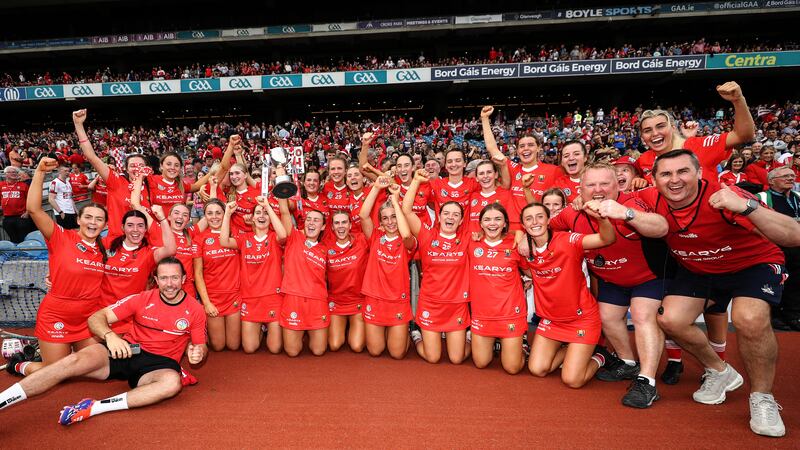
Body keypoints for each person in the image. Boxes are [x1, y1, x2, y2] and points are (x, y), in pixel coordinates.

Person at [638, 149, 788, 437]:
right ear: (653, 179)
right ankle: (719, 372)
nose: (674, 180)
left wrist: (748, 208)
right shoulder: (648, 199)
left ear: (698, 173)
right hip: (700, 268)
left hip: (751, 263)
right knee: (670, 319)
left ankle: (762, 398)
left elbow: (792, 234)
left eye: (683, 171)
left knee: (749, 318)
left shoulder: (726, 195)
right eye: (665, 174)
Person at [0, 257, 207, 425]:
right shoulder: (141, 298)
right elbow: (96, 318)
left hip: (160, 364)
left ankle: (94, 407)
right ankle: (5, 393)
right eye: (164, 278)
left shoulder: (195, 309)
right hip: (126, 350)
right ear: (156, 279)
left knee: (171, 384)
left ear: (183, 279)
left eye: (174, 278)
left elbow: (201, 347)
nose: (169, 284)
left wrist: (198, 353)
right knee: (68, 364)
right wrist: (110, 336)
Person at [550, 163, 671, 408]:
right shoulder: (572, 213)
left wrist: (625, 214)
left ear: (617, 185)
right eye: (591, 185)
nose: (598, 190)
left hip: (647, 277)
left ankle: (647, 381)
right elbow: (549, 228)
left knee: (641, 315)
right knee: (607, 317)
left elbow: (660, 227)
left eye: (605, 184)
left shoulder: (631, 203)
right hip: (612, 279)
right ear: (580, 189)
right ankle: (627, 363)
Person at [6, 158, 107, 377]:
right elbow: (33, 209)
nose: (93, 222)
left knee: (91, 366)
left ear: (105, 225)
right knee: (56, 373)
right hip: (58, 315)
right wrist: (40, 172)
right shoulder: (60, 236)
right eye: (88, 217)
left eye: (99, 219)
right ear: (78, 219)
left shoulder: (106, 249)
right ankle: (19, 364)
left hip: (89, 318)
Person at [521, 201, 617, 388]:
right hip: (552, 319)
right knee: (538, 369)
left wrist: (601, 219)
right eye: (529, 219)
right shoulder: (525, 249)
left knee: (573, 380)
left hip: (581, 319)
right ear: (523, 225)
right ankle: (571, 348)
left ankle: (600, 356)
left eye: (540, 217)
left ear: (549, 220)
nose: (535, 222)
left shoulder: (567, 240)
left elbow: (606, 239)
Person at [403, 169, 471, 364]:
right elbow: (407, 210)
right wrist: (415, 180)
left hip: (456, 305)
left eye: (456, 215)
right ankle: (417, 336)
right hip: (431, 303)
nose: (451, 217)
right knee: (433, 358)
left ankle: (470, 336)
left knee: (456, 359)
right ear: (439, 218)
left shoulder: (467, 239)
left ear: (460, 221)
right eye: (446, 213)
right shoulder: (426, 235)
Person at [634, 82, 755, 185]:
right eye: (647, 130)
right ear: (642, 136)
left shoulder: (701, 145)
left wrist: (738, 100)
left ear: (673, 127)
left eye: (660, 126)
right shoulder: (643, 160)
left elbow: (743, 135)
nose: (655, 133)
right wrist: (638, 180)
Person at [220, 196, 287, 354]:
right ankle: (260, 328)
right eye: (258, 213)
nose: (262, 216)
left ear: (270, 218)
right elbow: (223, 241)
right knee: (250, 349)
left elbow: (283, 235)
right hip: (250, 298)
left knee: (275, 349)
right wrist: (227, 214)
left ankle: (266, 328)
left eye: (265, 213)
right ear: (252, 218)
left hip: (273, 297)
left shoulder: (274, 237)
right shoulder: (245, 238)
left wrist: (268, 207)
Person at [359, 176, 416, 359]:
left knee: (397, 354)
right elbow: (363, 215)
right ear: (381, 223)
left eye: (393, 217)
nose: (391, 222)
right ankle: (388, 332)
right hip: (375, 299)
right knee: (375, 351)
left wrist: (395, 203)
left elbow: (405, 232)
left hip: (397, 300)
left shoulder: (408, 241)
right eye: (385, 219)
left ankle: (408, 334)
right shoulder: (375, 237)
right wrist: (375, 188)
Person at [277, 165, 330, 357]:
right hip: (294, 299)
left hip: (317, 301)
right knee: (292, 352)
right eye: (308, 219)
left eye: (317, 220)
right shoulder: (294, 236)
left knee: (318, 351)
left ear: (323, 226)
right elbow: (284, 211)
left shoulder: (326, 248)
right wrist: (281, 179)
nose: (311, 222)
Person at [468, 203, 526, 374]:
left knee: (512, 368)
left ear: (505, 223)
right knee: (481, 363)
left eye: (497, 219)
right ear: (480, 223)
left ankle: (523, 347)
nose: (492, 223)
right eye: (487, 219)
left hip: (510, 312)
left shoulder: (516, 244)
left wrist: (520, 233)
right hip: (482, 313)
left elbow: (529, 271)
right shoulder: (472, 242)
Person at [482, 106, 560, 230]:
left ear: (539, 148)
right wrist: (485, 119)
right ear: (517, 151)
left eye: (530, 145)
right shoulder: (513, 168)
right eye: (522, 146)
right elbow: (492, 149)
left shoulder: (553, 170)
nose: (526, 149)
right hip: (511, 228)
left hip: (537, 228)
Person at [193, 199, 242, 352]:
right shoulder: (199, 239)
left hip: (234, 295)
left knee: (234, 346)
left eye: (218, 213)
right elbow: (198, 273)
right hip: (213, 297)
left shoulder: (235, 234)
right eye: (209, 213)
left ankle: (257, 329)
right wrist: (206, 303)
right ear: (204, 216)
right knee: (218, 346)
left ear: (225, 214)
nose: (214, 217)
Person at [756, 166, 800, 330]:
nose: (790, 178)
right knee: (775, 281)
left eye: (792, 175)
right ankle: (774, 315)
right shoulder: (761, 197)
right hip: (773, 247)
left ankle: (793, 315)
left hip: (796, 247)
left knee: (796, 282)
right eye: (785, 176)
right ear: (771, 181)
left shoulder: (797, 196)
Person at [325, 210, 368, 352]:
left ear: (350, 225)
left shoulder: (362, 240)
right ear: (332, 227)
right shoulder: (326, 246)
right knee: (334, 345)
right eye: (336, 223)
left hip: (358, 300)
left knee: (356, 346)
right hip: (336, 301)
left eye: (344, 222)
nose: (340, 226)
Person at [466, 160, 513, 233]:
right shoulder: (472, 196)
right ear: (477, 178)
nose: (485, 176)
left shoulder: (506, 195)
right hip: (472, 243)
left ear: (496, 175)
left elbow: (512, 226)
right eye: (481, 173)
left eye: (489, 172)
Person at [0, 166, 34, 243]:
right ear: (6, 174)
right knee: (13, 240)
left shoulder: (23, 185)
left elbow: (31, 200)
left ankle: (25, 254)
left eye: (15, 172)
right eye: (11, 172)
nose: (14, 174)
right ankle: (17, 254)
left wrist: (27, 212)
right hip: (7, 217)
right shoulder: (1, 185)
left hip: (21, 217)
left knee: (23, 239)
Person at [48, 163, 77, 230]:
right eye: (65, 171)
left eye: (68, 171)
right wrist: (60, 212)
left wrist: (75, 210)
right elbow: (51, 199)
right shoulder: (55, 182)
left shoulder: (68, 182)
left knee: (73, 232)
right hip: (63, 212)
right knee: (65, 233)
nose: (67, 173)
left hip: (71, 211)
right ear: (60, 171)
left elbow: (70, 198)